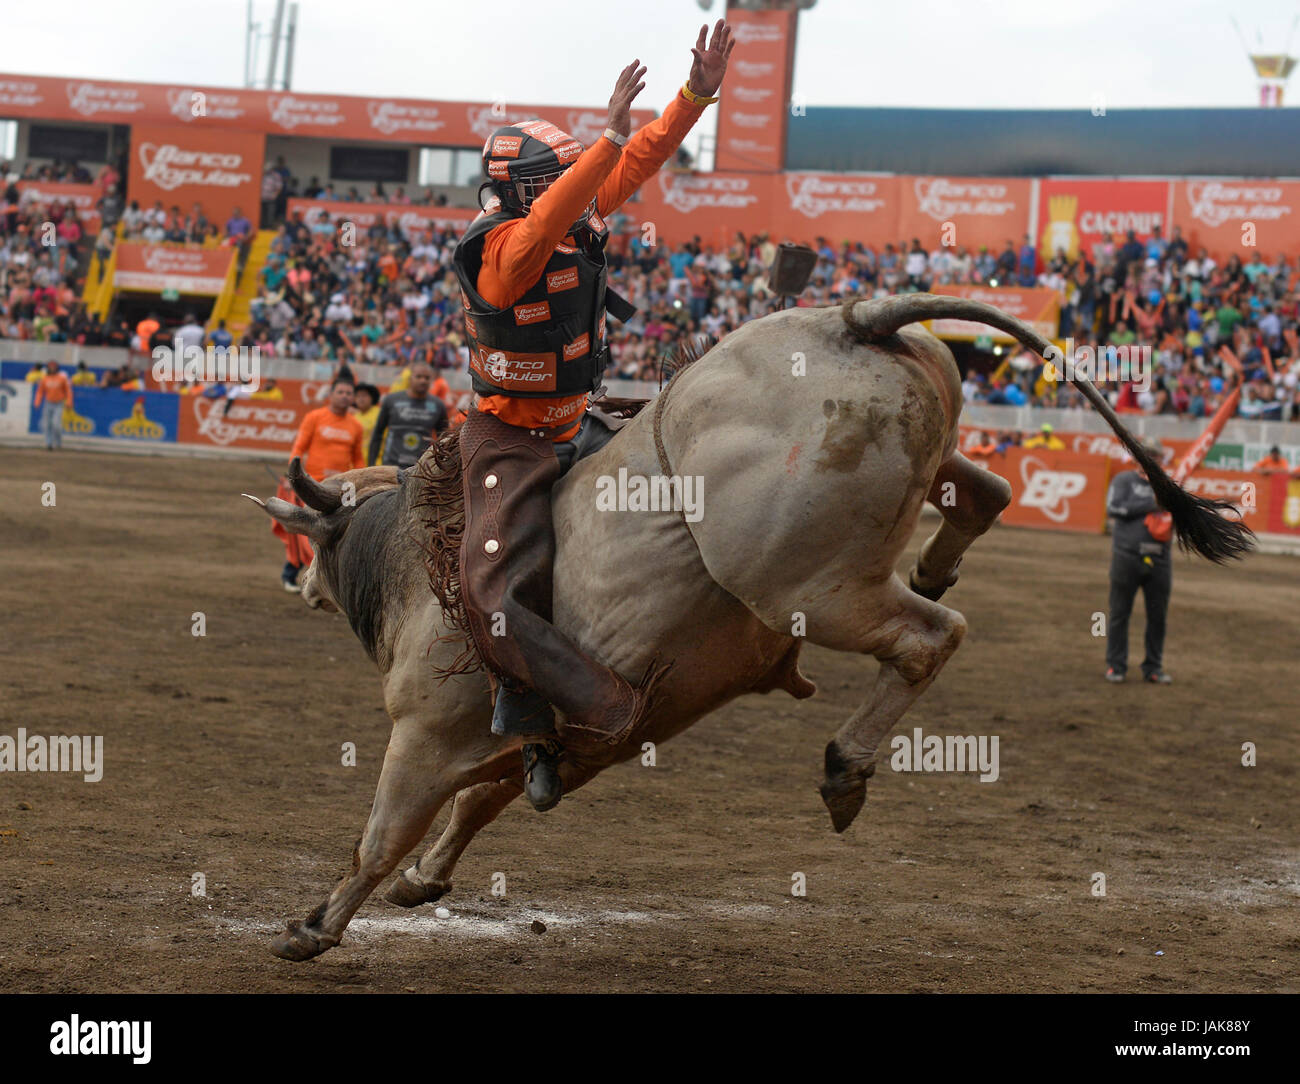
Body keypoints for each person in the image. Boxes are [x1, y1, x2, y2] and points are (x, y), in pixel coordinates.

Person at [450, 21, 734, 812]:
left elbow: (639, 155)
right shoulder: (500, 250)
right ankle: (562, 714)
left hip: (581, 414)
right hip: (510, 437)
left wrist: (696, 93)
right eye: (563, 173)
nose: (580, 179)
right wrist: (604, 139)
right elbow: (546, 226)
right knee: (497, 596)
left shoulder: (568, 205)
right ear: (526, 189)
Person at [277, 379, 364, 591]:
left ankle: (327, 583)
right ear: (331, 395)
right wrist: (294, 477)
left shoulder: (356, 426)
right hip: (314, 486)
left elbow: (358, 458)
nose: (345, 396)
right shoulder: (314, 417)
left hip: (342, 488)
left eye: (348, 393)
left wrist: (362, 481)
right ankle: (290, 574)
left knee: (339, 535)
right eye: (341, 391)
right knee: (307, 532)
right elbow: (299, 447)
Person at [1104, 440, 1173, 684]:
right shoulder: (1124, 480)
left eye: (1156, 456)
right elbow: (1114, 509)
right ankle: (1115, 665)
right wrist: (1151, 505)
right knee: (1119, 613)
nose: (1152, 459)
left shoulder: (1168, 484)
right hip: (1126, 555)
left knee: (1158, 617)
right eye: (1148, 455)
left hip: (1160, 558)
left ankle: (1153, 667)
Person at [33, 360, 73, 450]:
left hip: (59, 403)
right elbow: (40, 392)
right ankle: (49, 443)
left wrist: (69, 402)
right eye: (50, 367)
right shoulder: (45, 379)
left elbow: (68, 391)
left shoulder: (62, 378)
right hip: (48, 403)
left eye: (54, 366)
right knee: (47, 424)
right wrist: (37, 402)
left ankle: (58, 442)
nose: (52, 368)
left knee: (56, 424)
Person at [352, 383, 381, 462]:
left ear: (372, 397)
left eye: (364, 395)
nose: (361, 399)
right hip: (356, 464)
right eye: (358, 396)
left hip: (375, 463)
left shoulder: (379, 414)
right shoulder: (354, 417)